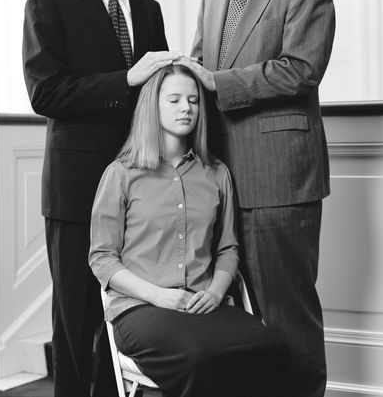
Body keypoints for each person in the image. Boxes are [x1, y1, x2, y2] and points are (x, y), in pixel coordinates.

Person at [180, 0, 335, 397]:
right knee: (235, 313)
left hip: (278, 176)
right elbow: (200, 71)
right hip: (219, 177)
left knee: (285, 310)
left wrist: (217, 82)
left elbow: (300, 70)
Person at [22, 0, 179, 397]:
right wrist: (125, 79)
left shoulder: (149, 9)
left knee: (128, 313)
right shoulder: (49, 3)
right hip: (77, 189)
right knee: (76, 316)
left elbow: (155, 98)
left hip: (142, 185)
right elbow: (45, 93)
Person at [89, 63, 286, 397]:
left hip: (202, 303)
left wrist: (214, 292)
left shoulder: (216, 172)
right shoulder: (121, 173)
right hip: (140, 308)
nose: (186, 108)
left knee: (268, 346)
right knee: (199, 358)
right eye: (175, 99)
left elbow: (227, 249)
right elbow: (102, 258)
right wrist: (158, 295)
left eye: (194, 100)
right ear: (153, 106)